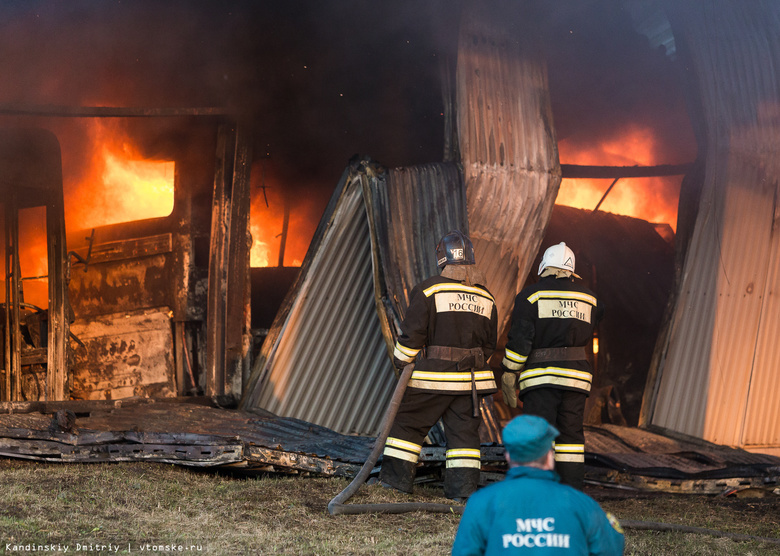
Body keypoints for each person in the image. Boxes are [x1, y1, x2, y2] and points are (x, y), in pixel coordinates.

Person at [378, 230, 498, 501]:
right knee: (464, 437)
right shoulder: (486, 297)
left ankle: (395, 484)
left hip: (434, 378)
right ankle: (462, 491)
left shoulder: (429, 289)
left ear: (442, 259)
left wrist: (401, 359)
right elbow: (490, 345)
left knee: (408, 425)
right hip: (471, 382)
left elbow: (413, 335)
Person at [500, 242, 603, 490]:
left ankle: (535, 488)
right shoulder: (590, 298)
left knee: (539, 433)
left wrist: (509, 372)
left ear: (544, 266)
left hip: (541, 379)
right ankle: (571, 489)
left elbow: (521, 340)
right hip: (577, 380)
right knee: (571, 438)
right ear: (571, 271)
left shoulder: (531, 296)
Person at [451, 415, 624, 555]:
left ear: (508, 457)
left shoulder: (481, 503)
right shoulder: (582, 504)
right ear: (550, 457)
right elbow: (612, 547)